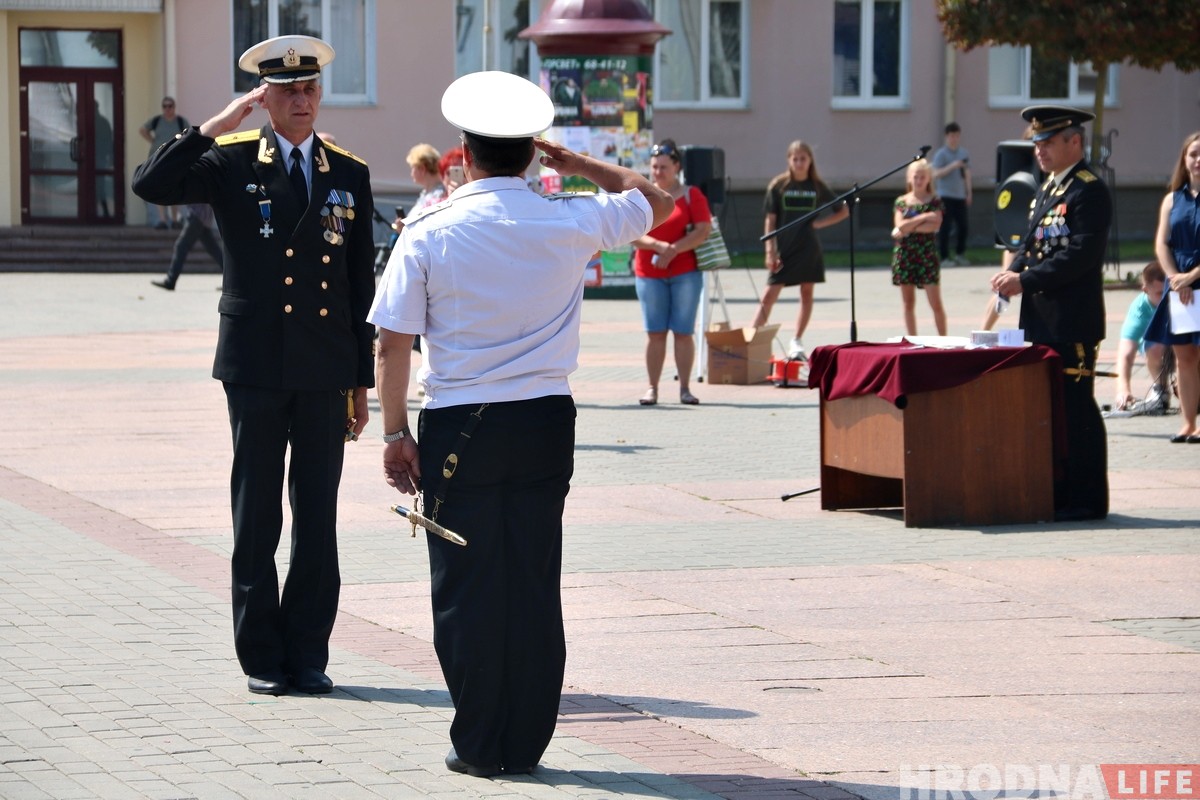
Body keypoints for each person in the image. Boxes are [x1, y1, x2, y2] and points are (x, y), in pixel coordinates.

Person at [369, 70, 672, 778]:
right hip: (542, 421)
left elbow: (392, 342)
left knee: (466, 585)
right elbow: (656, 199)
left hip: (459, 425)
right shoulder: (569, 216)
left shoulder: (429, 228)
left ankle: (479, 741)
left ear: (463, 154)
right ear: (533, 154)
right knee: (533, 581)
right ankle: (526, 742)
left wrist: (392, 431)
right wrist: (579, 163)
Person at [132, 35, 376, 697]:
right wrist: (215, 125)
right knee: (257, 515)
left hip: (326, 369)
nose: (301, 100)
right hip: (257, 365)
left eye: (310, 89)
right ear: (264, 96)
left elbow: (360, 287)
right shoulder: (232, 159)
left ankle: (308, 653)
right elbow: (152, 183)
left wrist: (362, 385)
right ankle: (262, 656)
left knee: (318, 519)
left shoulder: (347, 173)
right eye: (287, 91)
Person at [989, 105, 1112, 521]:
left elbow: (1079, 256)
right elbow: (1030, 244)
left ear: (1073, 142)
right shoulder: (1049, 188)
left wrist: (1025, 281)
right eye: (1036, 142)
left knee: (1077, 407)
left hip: (1072, 319)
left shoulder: (1088, 190)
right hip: (1041, 318)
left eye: (1047, 142)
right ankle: (1059, 492)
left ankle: (1087, 499)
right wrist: (1012, 270)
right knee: (1051, 411)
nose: (1038, 149)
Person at [630, 138, 712, 406]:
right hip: (649, 273)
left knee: (683, 331)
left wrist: (673, 250)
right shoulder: (641, 195)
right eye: (654, 167)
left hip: (685, 273)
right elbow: (630, 232)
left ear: (676, 166)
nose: (657, 172)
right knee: (655, 332)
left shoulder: (691, 195)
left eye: (664, 167)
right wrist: (657, 245)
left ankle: (685, 389)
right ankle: (652, 388)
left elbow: (702, 230)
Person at [753, 140, 848, 360]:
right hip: (784, 248)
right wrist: (770, 250)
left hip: (808, 248)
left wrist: (819, 224)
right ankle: (752, 336)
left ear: (810, 161)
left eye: (803, 158)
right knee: (769, 294)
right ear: (788, 160)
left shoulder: (816, 185)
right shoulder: (778, 186)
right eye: (794, 158)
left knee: (806, 294)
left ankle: (796, 340)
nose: (799, 162)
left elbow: (842, 210)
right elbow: (770, 219)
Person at [1145, 131, 1200, 442]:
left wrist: (1191, 276)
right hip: (1178, 285)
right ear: (1184, 159)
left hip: (1193, 280)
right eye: (1193, 154)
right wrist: (1175, 277)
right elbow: (1161, 242)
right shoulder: (1172, 199)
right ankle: (1188, 423)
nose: (1197, 160)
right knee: (1185, 357)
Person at [890, 159, 947, 335]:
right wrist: (923, 218)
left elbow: (935, 225)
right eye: (915, 176)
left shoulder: (935, 201)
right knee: (908, 303)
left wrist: (909, 227)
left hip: (926, 254)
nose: (919, 180)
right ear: (909, 178)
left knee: (935, 302)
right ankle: (912, 339)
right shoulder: (902, 201)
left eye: (923, 177)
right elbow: (899, 225)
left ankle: (944, 339)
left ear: (929, 179)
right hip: (905, 254)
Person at [1114, 262, 1171, 413]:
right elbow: (1126, 352)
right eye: (1160, 293)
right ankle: (1160, 389)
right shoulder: (1139, 310)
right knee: (1154, 346)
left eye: (1169, 291)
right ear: (1145, 290)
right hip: (1160, 351)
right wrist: (1123, 389)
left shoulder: (1180, 298)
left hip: (1186, 348)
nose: (1166, 298)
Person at [139, 97, 190, 228]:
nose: (167, 109)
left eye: (170, 106)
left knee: (173, 189)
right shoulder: (157, 121)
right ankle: (162, 220)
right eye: (165, 106)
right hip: (157, 160)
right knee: (158, 189)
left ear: (174, 107)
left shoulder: (180, 121)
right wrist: (153, 141)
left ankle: (174, 220)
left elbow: (189, 134)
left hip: (174, 160)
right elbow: (142, 130)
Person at [150, 203, 224, 290]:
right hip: (203, 218)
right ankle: (232, 279)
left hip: (197, 216)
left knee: (181, 246)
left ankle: (170, 281)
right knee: (214, 250)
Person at [932, 122, 972, 267]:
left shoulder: (963, 153)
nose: (954, 139)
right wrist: (952, 166)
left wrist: (969, 192)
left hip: (960, 195)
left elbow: (966, 173)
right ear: (946, 137)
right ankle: (944, 258)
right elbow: (935, 174)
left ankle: (960, 254)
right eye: (951, 136)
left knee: (963, 226)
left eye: (956, 136)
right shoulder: (941, 154)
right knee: (945, 227)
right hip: (945, 195)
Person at [392, 143, 445, 234]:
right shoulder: (428, 193)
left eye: (412, 168)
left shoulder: (439, 195)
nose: (411, 173)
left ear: (422, 169)